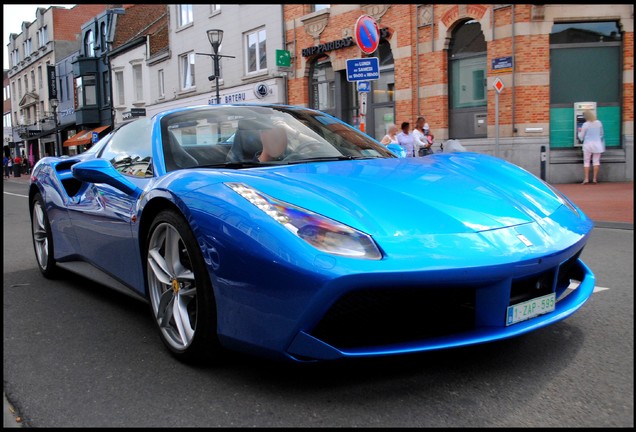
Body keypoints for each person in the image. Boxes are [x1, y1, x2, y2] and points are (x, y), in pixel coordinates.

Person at [577, 109, 605, 184]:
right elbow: (601, 134)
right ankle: (594, 179)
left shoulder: (585, 124)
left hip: (587, 145)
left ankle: (586, 179)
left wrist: (579, 132)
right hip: (597, 145)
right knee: (596, 161)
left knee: (586, 162)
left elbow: (581, 136)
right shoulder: (599, 123)